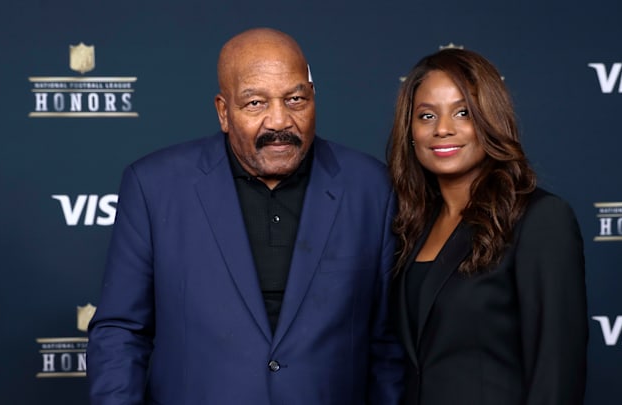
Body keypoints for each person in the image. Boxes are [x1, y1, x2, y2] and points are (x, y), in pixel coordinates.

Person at [87, 27, 403, 405]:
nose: (279, 121)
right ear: (223, 111)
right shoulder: (154, 186)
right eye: (255, 103)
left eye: (295, 99)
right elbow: (121, 333)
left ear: (314, 98)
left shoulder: (372, 188)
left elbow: (389, 346)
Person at [387, 48, 588, 404]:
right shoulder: (409, 226)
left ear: (490, 119)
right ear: (410, 130)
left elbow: (555, 373)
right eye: (427, 115)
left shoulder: (539, 218)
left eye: (463, 112)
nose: (443, 129)